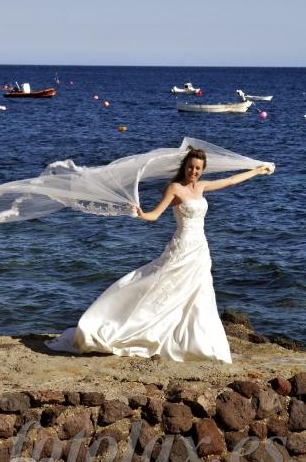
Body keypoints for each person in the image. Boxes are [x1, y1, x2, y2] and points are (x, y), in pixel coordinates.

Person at [48, 147, 274, 363]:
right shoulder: (174, 188)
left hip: (200, 249)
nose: (193, 171)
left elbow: (230, 180)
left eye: (197, 168)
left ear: (202, 170)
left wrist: (256, 170)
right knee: (162, 287)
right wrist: (141, 214)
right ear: (185, 166)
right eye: (190, 167)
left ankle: (199, 343)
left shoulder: (202, 187)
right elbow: (155, 215)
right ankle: (133, 328)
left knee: (198, 294)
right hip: (182, 247)